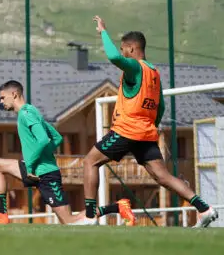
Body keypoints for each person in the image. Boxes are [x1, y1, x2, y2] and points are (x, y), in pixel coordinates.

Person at [73, 16, 218, 227]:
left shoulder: (135, 67)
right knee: (163, 176)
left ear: (131, 49)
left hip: (126, 130)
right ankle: (204, 209)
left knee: (90, 162)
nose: (123, 53)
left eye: (124, 49)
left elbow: (113, 57)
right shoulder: (154, 73)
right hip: (146, 133)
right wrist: (151, 127)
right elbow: (161, 107)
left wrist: (103, 31)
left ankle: (89, 216)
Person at [0, 80, 135, 225]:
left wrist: (31, 165)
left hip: (46, 174)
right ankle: (1, 214)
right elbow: (57, 138)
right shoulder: (31, 111)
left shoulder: (26, 114)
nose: (1, 102)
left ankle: (117, 207)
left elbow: (43, 139)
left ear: (14, 94)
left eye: (3, 97)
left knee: (68, 221)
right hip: (36, 169)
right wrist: (38, 159)